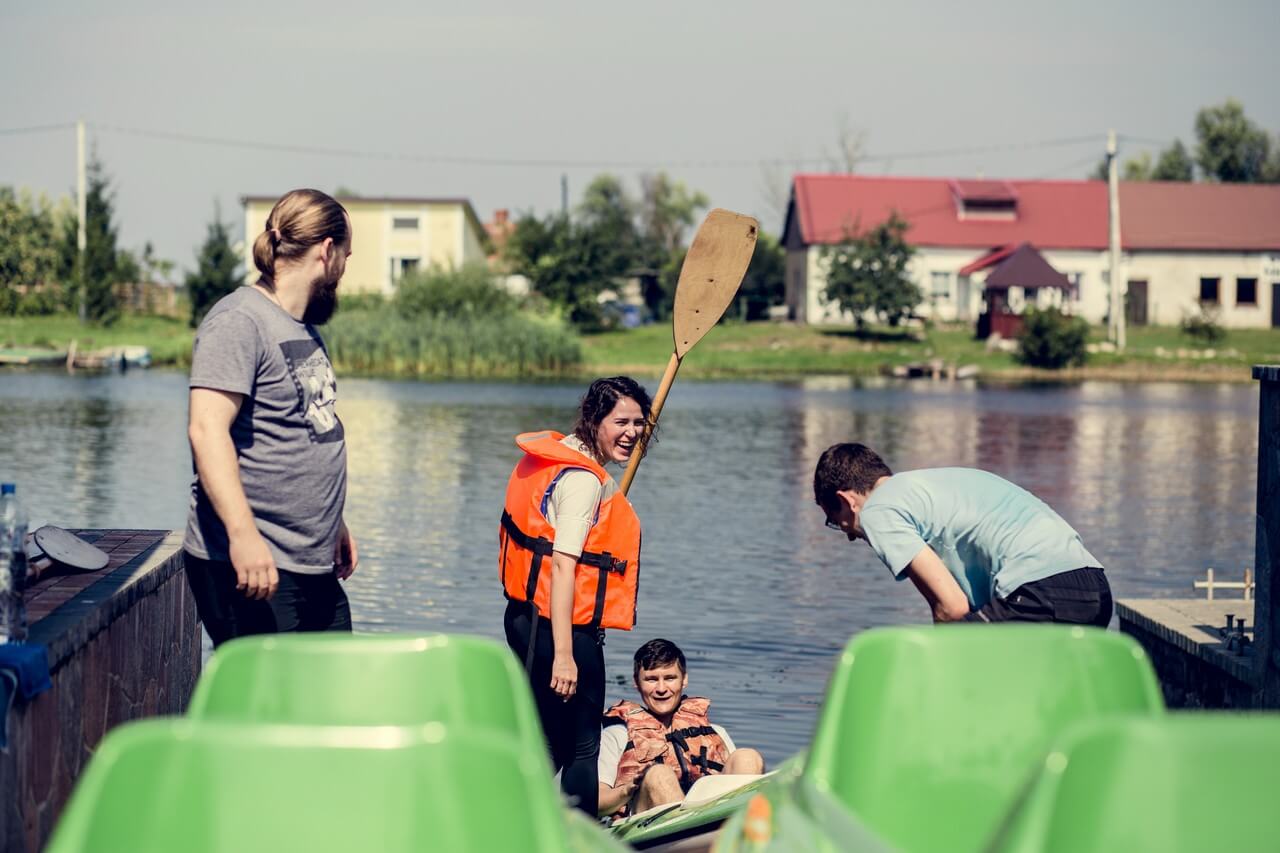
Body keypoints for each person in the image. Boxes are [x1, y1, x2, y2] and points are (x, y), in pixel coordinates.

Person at [183, 188, 358, 648]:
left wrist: (332, 521)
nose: (344, 268)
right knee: (267, 714)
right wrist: (243, 537)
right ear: (326, 252)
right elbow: (206, 430)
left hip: (311, 561)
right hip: (252, 563)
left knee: (332, 701)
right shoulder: (239, 321)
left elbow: (308, 425)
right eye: (346, 256)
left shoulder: (300, 327)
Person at [499, 376, 651, 817]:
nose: (632, 432)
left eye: (639, 423)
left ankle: (505, 818)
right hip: (561, 630)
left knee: (548, 739)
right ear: (594, 420)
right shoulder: (582, 481)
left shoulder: (554, 456)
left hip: (523, 619)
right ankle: (582, 838)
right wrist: (565, 654)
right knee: (584, 745)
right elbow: (563, 566)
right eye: (620, 421)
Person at [813, 443, 1111, 626]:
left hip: (1040, 593)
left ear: (845, 500)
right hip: (1095, 588)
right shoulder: (935, 485)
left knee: (955, 672)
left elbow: (951, 608)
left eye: (835, 519)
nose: (849, 534)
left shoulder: (877, 510)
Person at [598, 639, 765, 821]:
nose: (661, 689)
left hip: (712, 816)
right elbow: (597, 802)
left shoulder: (715, 731)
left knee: (748, 756)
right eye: (651, 679)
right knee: (658, 774)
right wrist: (626, 790)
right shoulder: (617, 734)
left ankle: (747, 832)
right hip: (648, 825)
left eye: (670, 678)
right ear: (637, 683)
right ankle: (689, 830)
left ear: (684, 679)